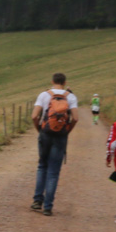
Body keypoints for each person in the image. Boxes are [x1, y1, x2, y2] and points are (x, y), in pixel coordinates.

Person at [30, 72, 80, 216]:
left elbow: (34, 116)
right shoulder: (71, 97)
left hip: (45, 134)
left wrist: (39, 130)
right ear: (65, 82)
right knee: (53, 171)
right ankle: (48, 207)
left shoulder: (44, 95)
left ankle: (37, 200)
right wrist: (67, 131)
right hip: (61, 136)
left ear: (52, 81)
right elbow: (75, 118)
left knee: (42, 166)